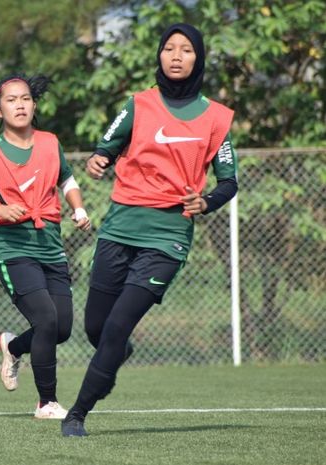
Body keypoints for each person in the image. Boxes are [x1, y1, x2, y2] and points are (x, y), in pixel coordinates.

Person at [61, 23, 238, 436]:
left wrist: (206, 202)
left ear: (199, 59)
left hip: (167, 237)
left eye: (186, 50)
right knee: (97, 330)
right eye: (169, 48)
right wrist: (97, 161)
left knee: (118, 326)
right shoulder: (137, 105)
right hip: (120, 226)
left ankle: (77, 414)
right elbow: (104, 150)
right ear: (159, 56)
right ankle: (113, 355)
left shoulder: (216, 117)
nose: (176, 55)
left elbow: (228, 181)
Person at [0, 74, 91, 419]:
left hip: (51, 245)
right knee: (46, 319)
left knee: (60, 329)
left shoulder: (49, 142)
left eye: (26, 99)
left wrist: (77, 207)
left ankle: (14, 346)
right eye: (12, 100)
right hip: (14, 251)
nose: (20, 105)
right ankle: (47, 402)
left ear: (34, 104)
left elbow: (68, 179)